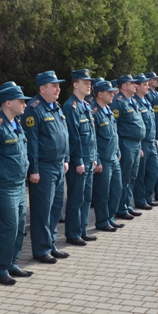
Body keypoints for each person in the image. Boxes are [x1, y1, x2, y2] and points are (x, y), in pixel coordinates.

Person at [0, 83, 34, 285]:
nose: (24, 104)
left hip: (19, 185)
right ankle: (0, 269)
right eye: (21, 101)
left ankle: (12, 263)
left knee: (19, 227)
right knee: (9, 227)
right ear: (8, 102)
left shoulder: (16, 123)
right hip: (2, 186)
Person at [22, 71, 70, 264]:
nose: (58, 88)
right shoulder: (33, 109)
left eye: (58, 85)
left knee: (56, 208)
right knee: (43, 210)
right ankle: (41, 249)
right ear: (42, 89)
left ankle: (51, 243)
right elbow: (31, 142)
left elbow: (63, 135)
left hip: (59, 165)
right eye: (54, 85)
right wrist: (33, 169)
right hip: (44, 167)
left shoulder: (56, 107)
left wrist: (66, 158)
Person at [62, 69, 97, 246]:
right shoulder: (70, 107)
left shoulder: (86, 105)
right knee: (76, 198)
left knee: (86, 197)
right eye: (85, 82)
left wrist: (94, 156)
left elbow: (91, 134)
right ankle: (73, 233)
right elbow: (73, 138)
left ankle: (82, 230)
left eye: (89, 82)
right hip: (80, 161)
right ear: (76, 85)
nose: (89, 85)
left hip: (90, 159)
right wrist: (79, 160)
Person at [112, 74, 147, 220]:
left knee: (132, 177)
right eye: (131, 83)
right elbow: (114, 125)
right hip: (125, 143)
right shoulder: (118, 102)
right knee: (124, 178)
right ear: (124, 86)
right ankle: (120, 208)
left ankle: (127, 205)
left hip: (135, 143)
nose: (135, 85)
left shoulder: (132, 101)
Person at [91, 80, 124, 231]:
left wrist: (117, 151)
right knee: (103, 193)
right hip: (103, 158)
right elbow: (93, 139)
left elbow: (114, 134)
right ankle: (102, 221)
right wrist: (97, 160)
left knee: (116, 190)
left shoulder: (108, 110)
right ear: (100, 94)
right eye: (109, 92)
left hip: (113, 157)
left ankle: (110, 217)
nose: (113, 94)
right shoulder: (94, 112)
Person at [133, 73, 158, 210]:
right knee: (141, 174)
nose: (147, 87)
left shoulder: (147, 102)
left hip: (151, 141)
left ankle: (148, 197)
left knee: (154, 170)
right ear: (136, 86)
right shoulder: (135, 103)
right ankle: (140, 199)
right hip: (142, 142)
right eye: (145, 84)